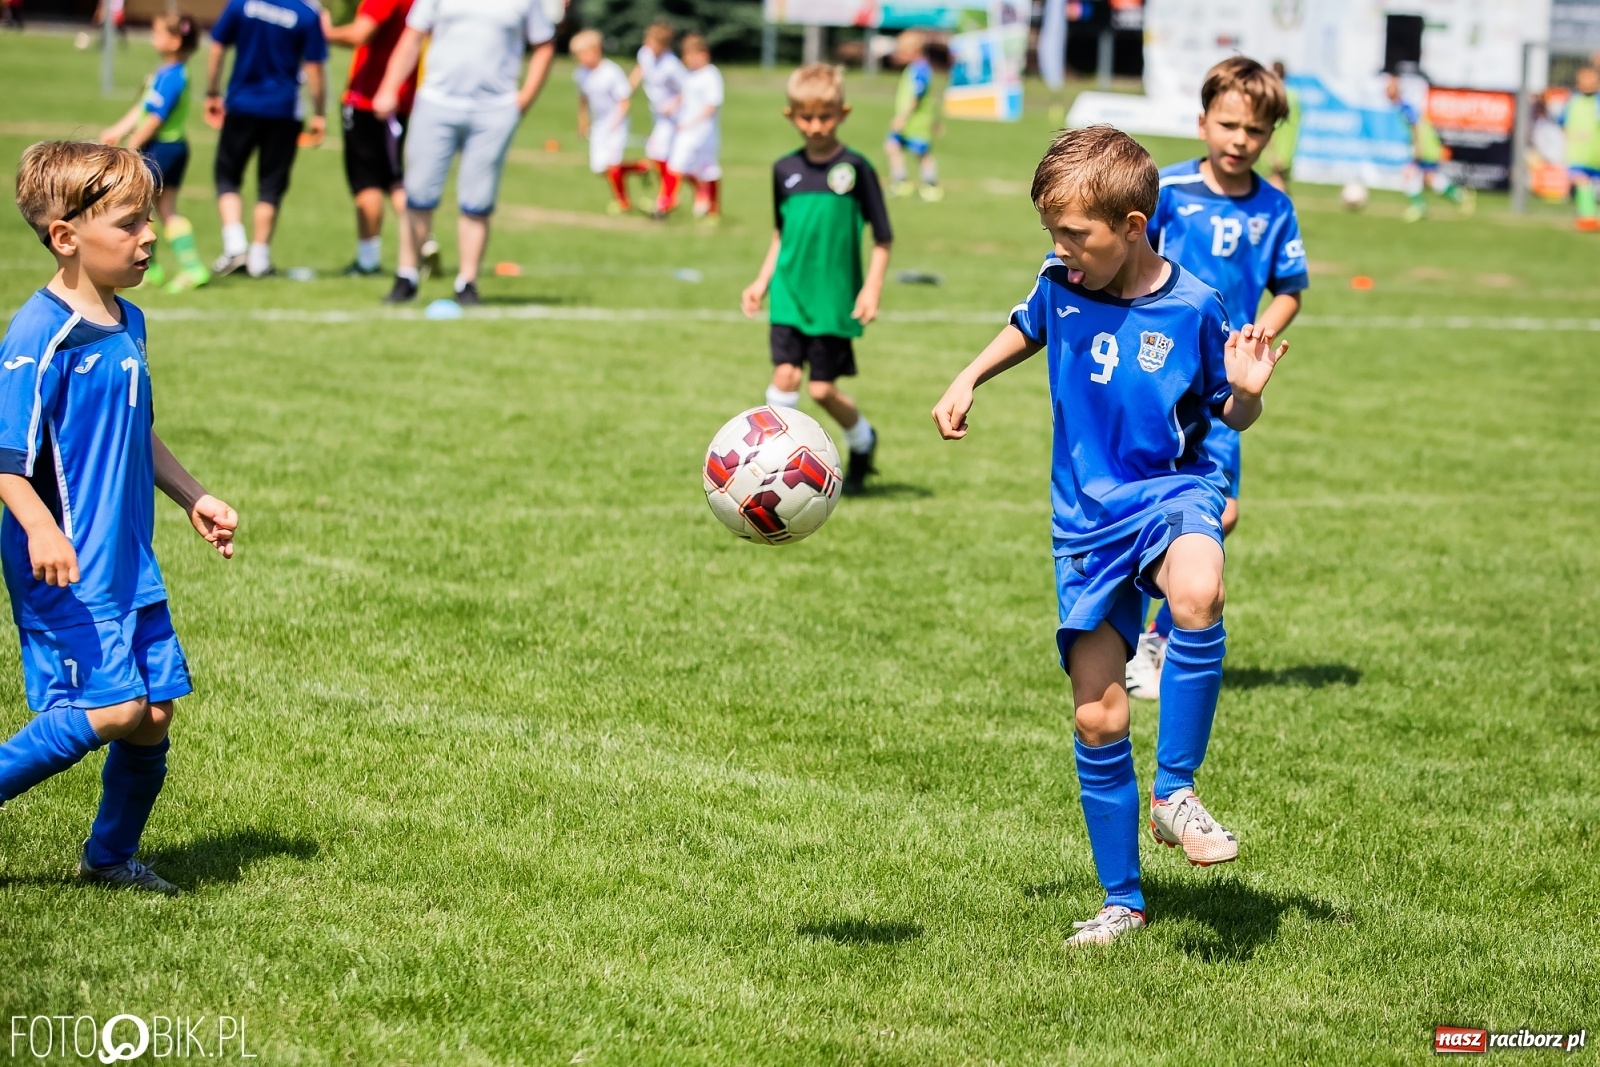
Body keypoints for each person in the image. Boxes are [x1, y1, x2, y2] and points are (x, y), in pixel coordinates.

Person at [931, 126, 1289, 945]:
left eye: (1074, 235)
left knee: (1198, 590)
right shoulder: (1061, 284)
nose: (1060, 249)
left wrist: (1248, 395)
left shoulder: (1197, 304)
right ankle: (1122, 901)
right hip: (1086, 521)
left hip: (1172, 491)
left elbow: (1225, 413)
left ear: (1133, 226)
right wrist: (967, 377)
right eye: (1052, 234)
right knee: (1098, 717)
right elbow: (1029, 322)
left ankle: (1173, 793)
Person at [0, 141, 239, 894]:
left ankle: (109, 858)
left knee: (154, 713)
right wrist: (41, 527)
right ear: (66, 237)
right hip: (64, 557)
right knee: (113, 705)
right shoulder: (40, 335)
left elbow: (138, 431)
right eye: (131, 223)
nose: (151, 236)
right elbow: (6, 459)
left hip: (127, 556)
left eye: (151, 219)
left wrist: (193, 494)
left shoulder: (129, 321)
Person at [1126, 56, 1308, 700]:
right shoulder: (1166, 193)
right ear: (1202, 121)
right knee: (1143, 501)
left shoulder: (1276, 208)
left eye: (1255, 131)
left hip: (1226, 381)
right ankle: (1128, 630)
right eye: (1228, 125)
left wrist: (1260, 328)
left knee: (1221, 513)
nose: (1240, 140)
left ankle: (1158, 636)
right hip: (1158, 373)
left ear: (1270, 135)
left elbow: (1290, 289)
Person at [741, 63, 891, 496]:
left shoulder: (855, 169)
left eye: (825, 116)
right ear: (790, 115)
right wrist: (761, 281)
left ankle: (863, 440)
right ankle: (770, 467)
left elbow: (883, 237)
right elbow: (780, 235)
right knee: (785, 375)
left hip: (832, 298)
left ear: (843, 113)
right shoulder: (783, 169)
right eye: (805, 117)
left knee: (823, 389)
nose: (815, 125)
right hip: (789, 292)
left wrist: (872, 287)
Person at [370, 0, 556, 306]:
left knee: (477, 202)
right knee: (418, 195)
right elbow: (413, 36)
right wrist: (389, 87)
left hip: (493, 111)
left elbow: (544, 46)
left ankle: (467, 283)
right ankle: (407, 277)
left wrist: (521, 102)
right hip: (436, 103)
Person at [204, 0, 328, 278]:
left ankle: (235, 247)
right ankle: (259, 258)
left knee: (227, 176)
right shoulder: (306, 14)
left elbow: (216, 46)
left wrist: (212, 92)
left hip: (241, 105)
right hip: (284, 110)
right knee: (271, 185)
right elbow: (315, 67)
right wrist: (319, 112)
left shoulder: (242, 4)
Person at [99, 11, 210, 293]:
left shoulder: (174, 77)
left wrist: (129, 148)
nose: (153, 38)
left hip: (163, 148)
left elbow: (154, 119)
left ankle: (189, 268)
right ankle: (157, 270)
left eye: (158, 33)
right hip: (166, 148)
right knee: (153, 209)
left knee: (152, 210)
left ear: (174, 41)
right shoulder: (165, 73)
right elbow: (142, 108)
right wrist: (117, 129)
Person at [322, 0, 419, 278]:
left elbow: (361, 33)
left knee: (368, 182)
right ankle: (422, 243)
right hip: (401, 99)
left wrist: (325, 33)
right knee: (394, 178)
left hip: (368, 99)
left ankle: (368, 259)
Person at [571, 30, 645, 215]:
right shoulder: (580, 73)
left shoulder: (611, 72)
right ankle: (641, 167)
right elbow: (583, 98)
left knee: (612, 165)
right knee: (599, 168)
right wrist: (583, 120)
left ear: (595, 50)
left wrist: (616, 122)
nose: (578, 58)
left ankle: (623, 202)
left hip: (616, 123)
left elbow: (624, 100)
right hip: (600, 124)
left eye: (581, 53)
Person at [1387, 74, 1474, 222]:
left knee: (1410, 174)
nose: (1386, 90)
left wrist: (1418, 147)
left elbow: (1416, 126)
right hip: (1427, 145)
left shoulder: (1405, 107)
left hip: (1425, 146)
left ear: (1396, 90)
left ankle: (1420, 207)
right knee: (1428, 178)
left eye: (1390, 87)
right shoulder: (1401, 107)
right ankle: (1459, 196)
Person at [656, 34, 722, 220]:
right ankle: (666, 203)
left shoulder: (711, 74)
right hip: (687, 130)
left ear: (704, 54)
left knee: (707, 170)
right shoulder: (691, 76)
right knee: (678, 164)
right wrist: (672, 105)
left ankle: (712, 208)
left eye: (692, 55)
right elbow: (685, 96)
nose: (688, 59)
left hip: (702, 131)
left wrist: (691, 123)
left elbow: (711, 105)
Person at [884, 30, 942, 202]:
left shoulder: (920, 70)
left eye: (902, 50)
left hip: (915, 122)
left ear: (914, 50)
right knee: (892, 147)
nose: (899, 54)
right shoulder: (914, 68)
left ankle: (930, 184)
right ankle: (900, 182)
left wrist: (902, 117)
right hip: (909, 122)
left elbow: (917, 98)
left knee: (922, 154)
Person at [629, 21, 684, 185]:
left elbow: (687, 90)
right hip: (657, 112)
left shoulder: (672, 65)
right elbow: (640, 70)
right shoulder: (645, 54)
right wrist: (627, 90)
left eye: (651, 41)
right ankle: (668, 190)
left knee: (657, 151)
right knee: (666, 154)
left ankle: (667, 196)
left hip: (673, 116)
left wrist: (673, 105)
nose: (647, 43)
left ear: (664, 44)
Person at [1560, 65, 1600, 232]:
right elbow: (1563, 122)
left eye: (1591, 78)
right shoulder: (1572, 100)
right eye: (1584, 78)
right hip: (1577, 153)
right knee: (1581, 182)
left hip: (1596, 154)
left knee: (1592, 189)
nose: (1587, 82)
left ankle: (1590, 216)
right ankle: (1588, 218)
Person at [1262, 60, 1300, 193]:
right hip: (1288, 149)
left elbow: (1271, 124)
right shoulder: (1295, 95)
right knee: (1282, 186)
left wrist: (1272, 152)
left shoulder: (1276, 96)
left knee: (1274, 190)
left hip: (1276, 148)